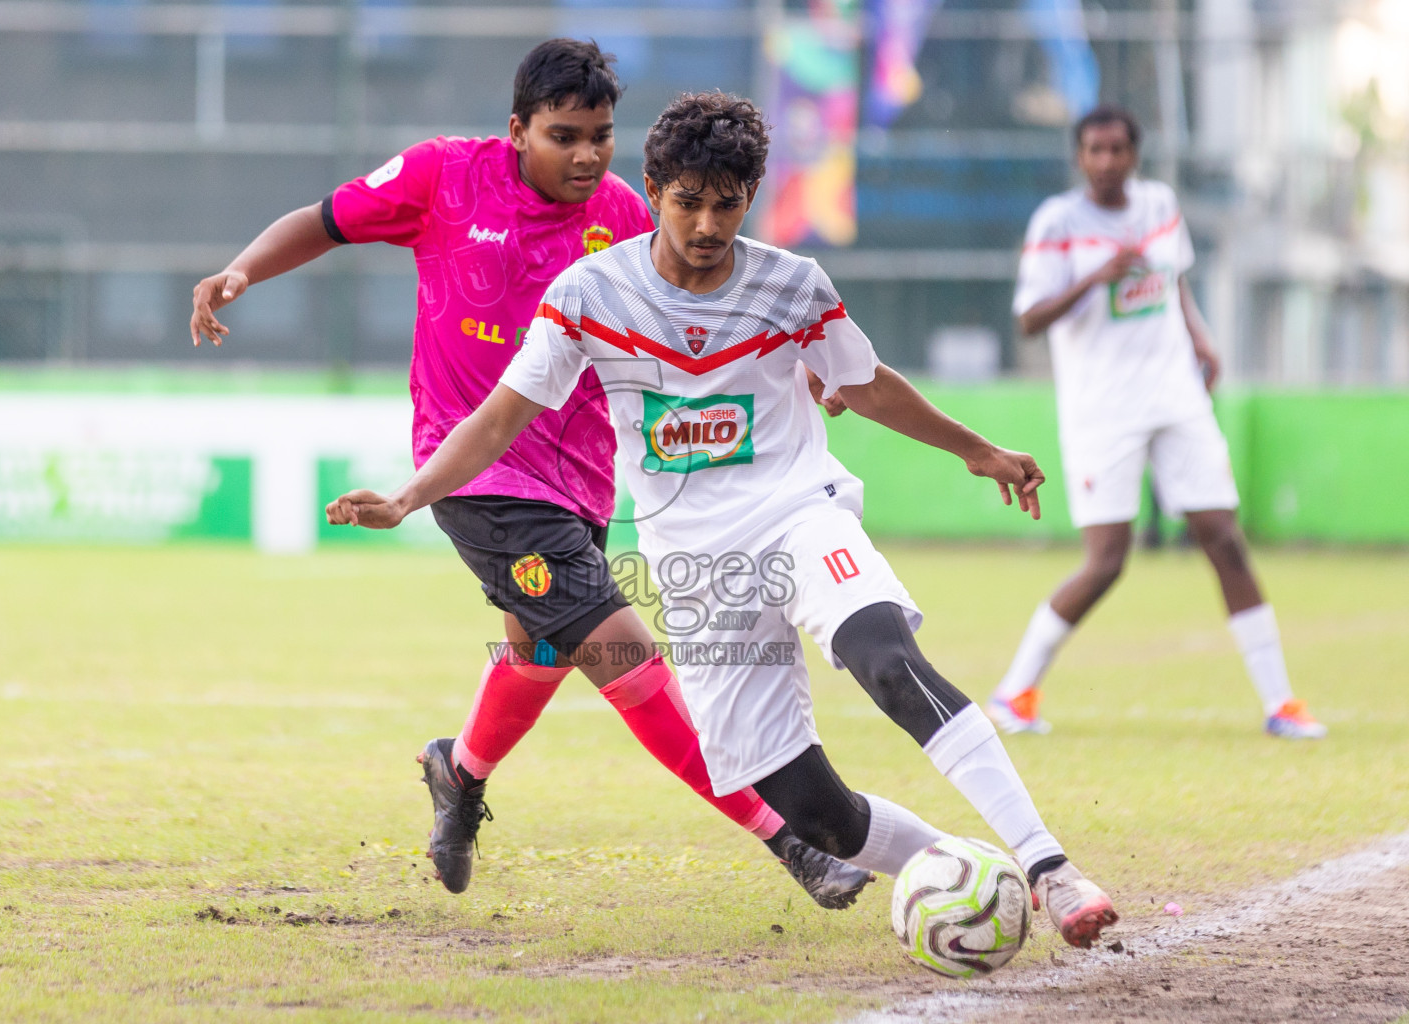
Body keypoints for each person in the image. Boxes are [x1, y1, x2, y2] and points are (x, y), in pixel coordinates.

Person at [327, 91, 1120, 949]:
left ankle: (1049, 867)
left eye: (728, 202)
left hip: (797, 518)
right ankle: (965, 875)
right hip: (697, 565)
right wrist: (410, 494)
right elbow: (498, 417)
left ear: (751, 197)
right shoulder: (590, 292)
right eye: (688, 200)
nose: (708, 222)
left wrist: (977, 449)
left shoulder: (792, 284)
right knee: (813, 815)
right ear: (653, 188)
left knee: (885, 660)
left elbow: (864, 380)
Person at [189, 40, 870, 908]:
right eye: (563, 135)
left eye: (600, 135)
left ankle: (457, 770)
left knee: (538, 649)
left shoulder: (629, 212)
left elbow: (712, 301)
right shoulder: (442, 177)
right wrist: (243, 268)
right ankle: (794, 846)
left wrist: (803, 365)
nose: (586, 154)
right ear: (517, 131)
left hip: (585, 477)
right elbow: (323, 220)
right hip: (479, 477)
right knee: (626, 657)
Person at [987, 105, 1325, 740]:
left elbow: (1176, 282)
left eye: (1118, 149)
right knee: (1107, 561)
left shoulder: (1161, 205)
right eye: (1095, 150)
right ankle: (1013, 694)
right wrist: (1094, 277)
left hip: (1176, 397)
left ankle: (1282, 703)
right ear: (1080, 157)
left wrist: (1201, 337)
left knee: (1224, 538)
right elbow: (1029, 319)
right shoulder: (1058, 222)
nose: (1107, 161)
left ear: (1135, 155)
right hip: (1103, 410)